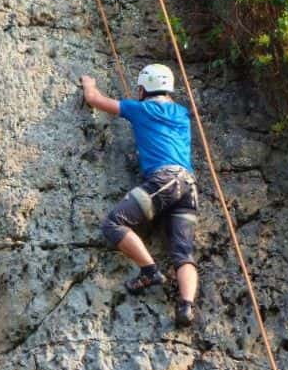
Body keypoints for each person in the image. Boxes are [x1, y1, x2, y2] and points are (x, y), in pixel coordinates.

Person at [81, 63, 199, 327]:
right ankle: (186, 307)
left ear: (144, 88)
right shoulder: (182, 113)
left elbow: (95, 100)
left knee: (114, 223)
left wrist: (88, 83)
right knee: (183, 252)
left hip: (165, 180)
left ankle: (150, 271)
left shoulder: (141, 108)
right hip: (189, 187)